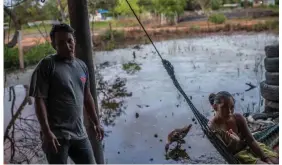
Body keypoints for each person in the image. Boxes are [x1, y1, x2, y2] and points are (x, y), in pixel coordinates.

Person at [29, 23, 104, 164]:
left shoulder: (81, 66)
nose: (67, 46)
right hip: (56, 136)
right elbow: (39, 100)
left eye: (70, 41)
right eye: (61, 43)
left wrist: (96, 123)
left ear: (74, 40)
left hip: (79, 133)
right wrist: (46, 132)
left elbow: (87, 97)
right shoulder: (47, 65)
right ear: (54, 45)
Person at [208, 91, 278, 164]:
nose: (229, 111)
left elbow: (251, 140)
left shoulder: (237, 118)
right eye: (224, 108)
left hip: (250, 146)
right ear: (215, 107)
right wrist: (234, 142)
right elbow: (226, 153)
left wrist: (266, 159)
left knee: (276, 162)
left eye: (232, 107)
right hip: (239, 154)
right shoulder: (213, 128)